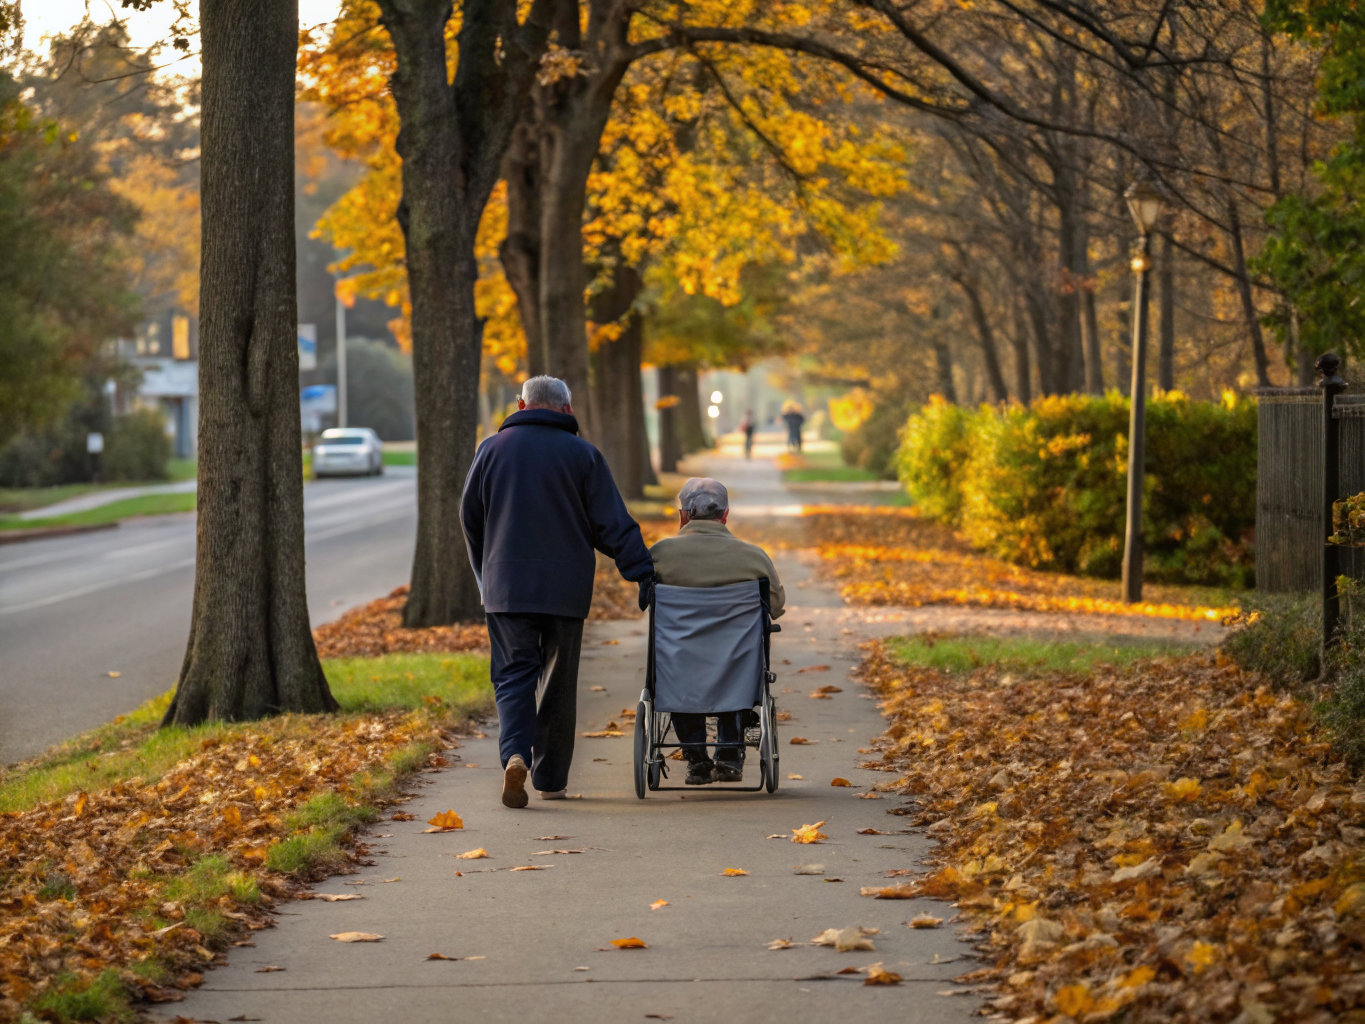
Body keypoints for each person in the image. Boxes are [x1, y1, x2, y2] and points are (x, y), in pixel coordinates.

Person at [461, 375, 653, 808]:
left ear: (520, 404)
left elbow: (470, 518)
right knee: (558, 682)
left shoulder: (490, 450)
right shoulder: (583, 454)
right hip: (564, 589)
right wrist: (642, 572)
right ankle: (551, 780)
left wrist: (484, 572)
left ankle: (514, 754)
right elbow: (611, 524)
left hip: (505, 586)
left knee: (512, 677)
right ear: (567, 409)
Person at [648, 477, 785, 785]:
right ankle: (729, 756)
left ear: (683, 515)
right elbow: (775, 605)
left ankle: (696, 761)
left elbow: (647, 603)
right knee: (735, 666)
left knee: (680, 672)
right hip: (736, 669)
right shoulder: (753, 557)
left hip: (679, 668)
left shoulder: (660, 555)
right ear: (724, 516)